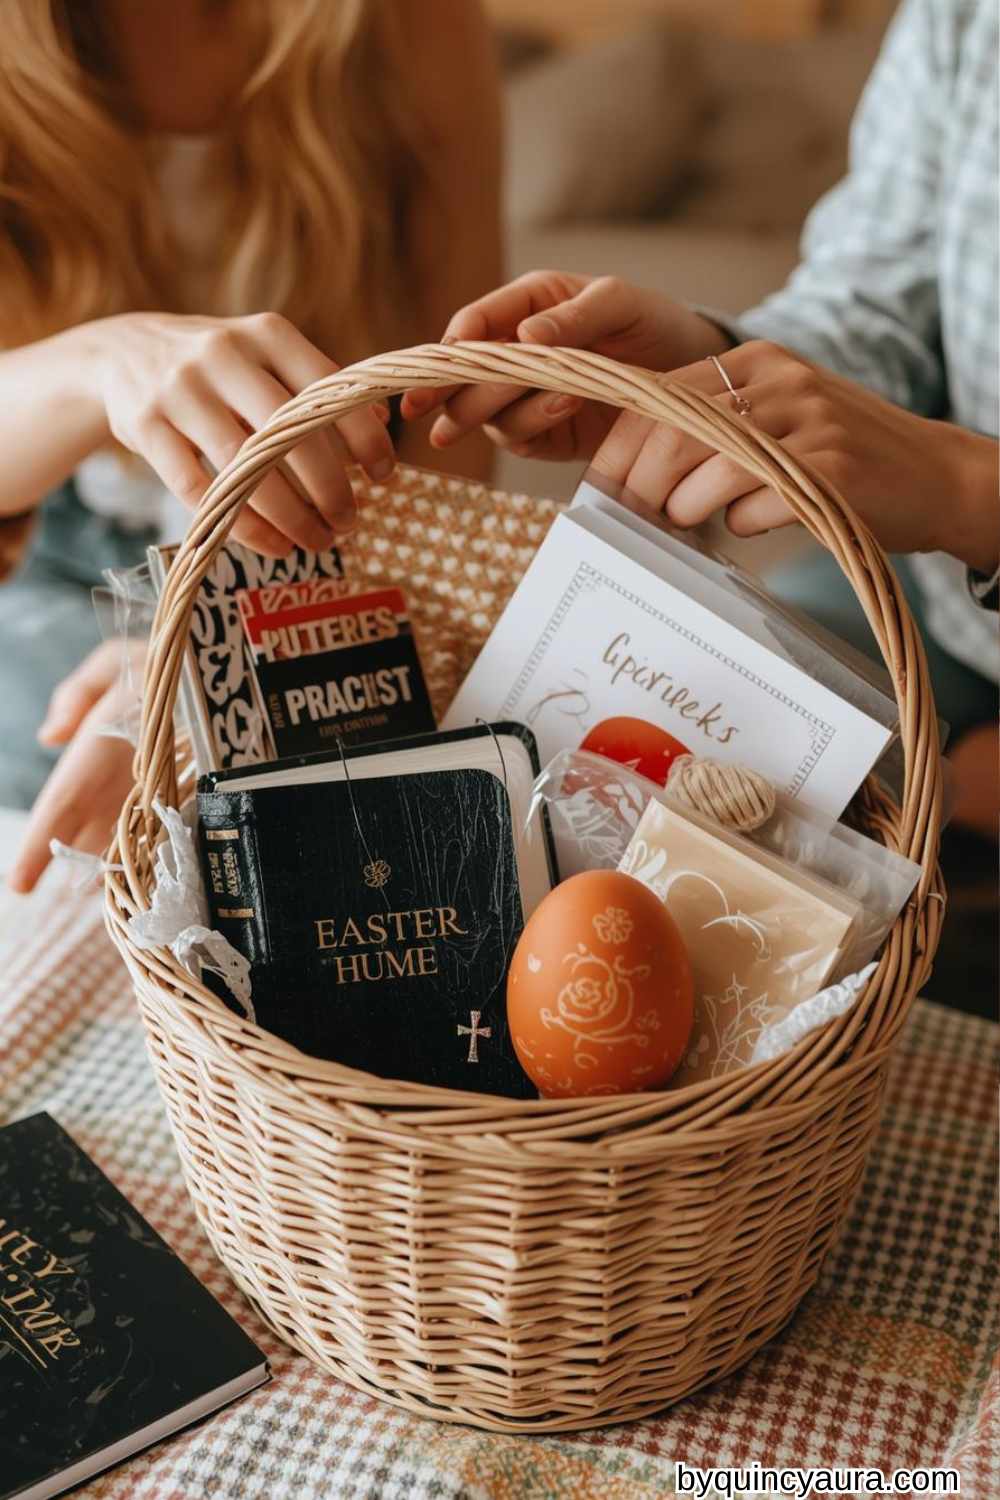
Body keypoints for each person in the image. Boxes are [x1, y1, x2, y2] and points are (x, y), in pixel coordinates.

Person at [407, 0, 998, 833]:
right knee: (677, 748)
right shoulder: (965, 19)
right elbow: (874, 303)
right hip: (946, 614)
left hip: (951, 569)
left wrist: (968, 488)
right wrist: (707, 364)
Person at [3, 0, 502, 892]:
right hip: (56, 561)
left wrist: (206, 659)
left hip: (343, 557)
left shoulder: (405, 26)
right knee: (63, 851)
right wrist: (99, 363)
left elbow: (450, 440)